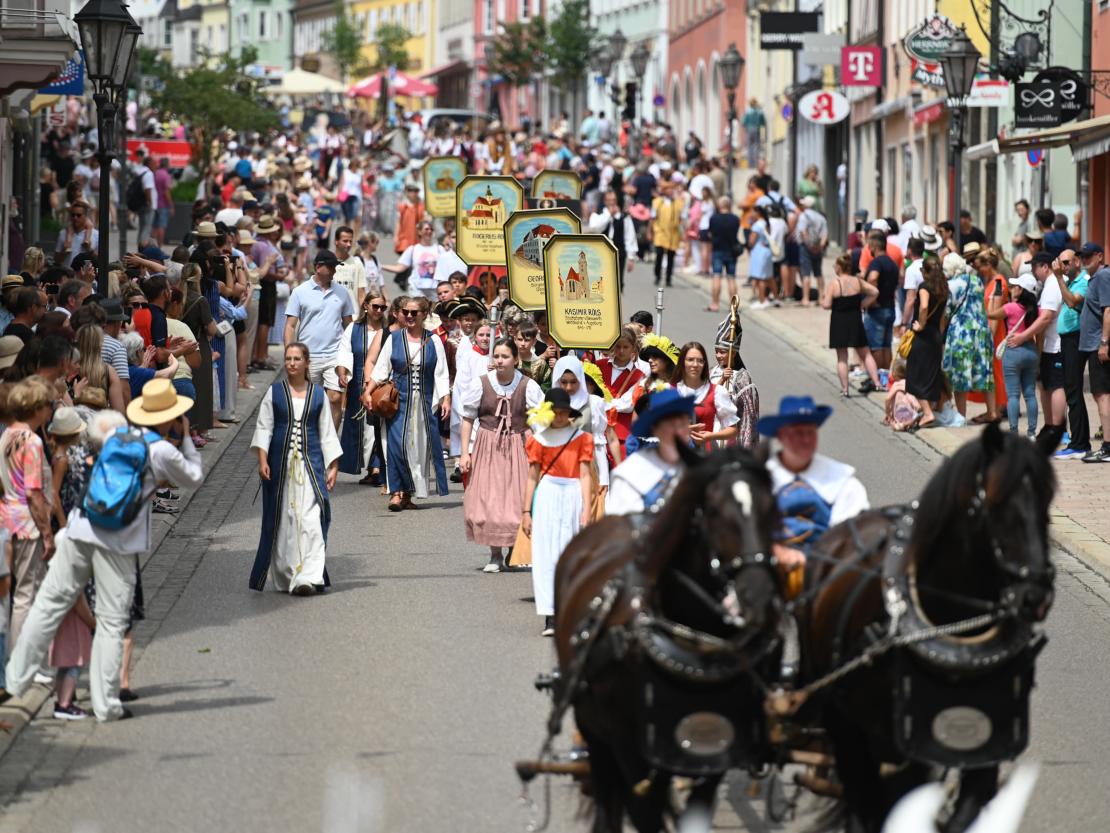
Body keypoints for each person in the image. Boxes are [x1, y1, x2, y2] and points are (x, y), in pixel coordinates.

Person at [5, 379, 203, 721]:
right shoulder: (161, 450)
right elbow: (194, 476)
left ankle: (14, 680)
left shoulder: (116, 436)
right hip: (118, 542)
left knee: (49, 605)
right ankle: (105, 703)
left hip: (81, 527)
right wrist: (184, 438)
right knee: (112, 623)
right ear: (173, 416)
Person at [250, 343, 341, 594]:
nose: (291, 363)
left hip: (310, 466)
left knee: (312, 518)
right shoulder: (274, 393)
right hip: (281, 467)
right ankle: (288, 574)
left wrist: (333, 466)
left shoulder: (318, 394)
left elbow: (327, 433)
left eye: (296, 358)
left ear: (306, 362)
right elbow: (264, 427)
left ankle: (308, 576)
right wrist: (263, 460)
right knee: (285, 520)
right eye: (288, 358)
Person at [757, 395, 869, 571]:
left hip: (826, 574)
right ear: (781, 436)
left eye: (811, 432)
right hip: (766, 571)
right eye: (798, 433)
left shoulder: (843, 481)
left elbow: (852, 538)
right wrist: (776, 551)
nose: (806, 440)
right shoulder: (758, 480)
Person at [460, 337, 543, 573]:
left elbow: (539, 422)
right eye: (496, 356)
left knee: (517, 500)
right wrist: (464, 452)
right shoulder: (481, 384)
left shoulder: (528, 386)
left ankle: (512, 553)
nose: (499, 360)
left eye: (505, 356)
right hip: (487, 446)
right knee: (488, 501)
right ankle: (494, 554)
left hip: (519, 444)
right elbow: (467, 419)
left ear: (516, 360)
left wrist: (541, 452)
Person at [365, 296, 450, 510]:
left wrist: (445, 398)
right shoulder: (393, 339)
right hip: (398, 402)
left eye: (414, 313)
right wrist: (367, 392)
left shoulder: (434, 341)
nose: (409, 316)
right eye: (405, 312)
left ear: (424, 315)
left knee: (418, 449)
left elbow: (441, 373)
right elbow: (381, 369)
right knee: (396, 446)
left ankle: (407, 494)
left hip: (423, 403)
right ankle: (395, 491)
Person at [522, 387, 594, 636]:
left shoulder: (581, 438)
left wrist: (586, 508)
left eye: (564, 412)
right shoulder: (538, 439)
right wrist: (526, 511)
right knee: (545, 553)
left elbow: (585, 474)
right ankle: (550, 615)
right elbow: (532, 477)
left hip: (572, 492)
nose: (560, 417)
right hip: (548, 492)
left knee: (569, 552)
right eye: (556, 412)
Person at [0, 376, 56, 652]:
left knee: (15, 595)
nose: (50, 409)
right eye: (47, 404)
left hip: (7, 518)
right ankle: (23, 660)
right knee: (26, 595)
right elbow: (33, 492)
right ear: (36, 407)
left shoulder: (7, 434)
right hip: (27, 522)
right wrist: (47, 533)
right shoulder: (31, 441)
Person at [284, 249, 356, 428]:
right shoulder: (300, 292)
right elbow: (290, 325)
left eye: (335, 267)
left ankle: (330, 444)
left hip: (335, 355)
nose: (334, 271)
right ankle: (310, 437)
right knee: (309, 402)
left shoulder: (342, 292)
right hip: (309, 356)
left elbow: (349, 325)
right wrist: (290, 353)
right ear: (318, 267)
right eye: (330, 267)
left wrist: (352, 352)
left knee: (336, 397)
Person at [606, 387, 695, 516]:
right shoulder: (627, 476)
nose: (678, 429)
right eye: (671, 423)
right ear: (655, 428)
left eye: (682, 422)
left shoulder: (696, 468)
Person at [337, 292, 387, 484]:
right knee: (362, 429)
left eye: (383, 307)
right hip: (358, 383)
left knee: (379, 426)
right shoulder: (354, 328)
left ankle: (376, 467)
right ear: (366, 306)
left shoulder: (387, 329)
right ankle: (370, 467)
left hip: (383, 385)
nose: (379, 311)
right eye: (375, 306)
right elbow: (344, 351)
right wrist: (342, 372)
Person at [943, 251, 995, 418]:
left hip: (962, 333)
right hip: (981, 330)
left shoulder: (951, 285)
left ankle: (961, 415)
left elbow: (947, 311)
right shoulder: (977, 281)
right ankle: (992, 412)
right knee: (985, 371)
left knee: (961, 373)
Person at [822, 252, 882, 398]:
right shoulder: (857, 281)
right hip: (855, 320)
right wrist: (862, 304)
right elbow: (874, 292)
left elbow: (827, 304)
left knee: (842, 357)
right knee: (865, 353)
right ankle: (878, 383)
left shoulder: (834, 284)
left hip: (839, 322)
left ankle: (845, 389)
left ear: (839, 267)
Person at [988, 274, 1040, 437]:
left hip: (1013, 352)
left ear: (1021, 290)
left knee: (1013, 396)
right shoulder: (1036, 310)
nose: (1013, 288)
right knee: (1030, 394)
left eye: (1015, 286)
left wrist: (992, 299)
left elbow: (991, 315)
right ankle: (1032, 433)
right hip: (1030, 351)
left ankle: (1013, 432)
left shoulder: (1011, 307)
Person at [1054, 247, 1092, 459]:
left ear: (1077, 262)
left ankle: (1079, 443)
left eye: (1066, 262)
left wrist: (1059, 278)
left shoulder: (1084, 280)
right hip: (1067, 340)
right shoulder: (1069, 281)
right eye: (1061, 263)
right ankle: (1079, 440)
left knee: (1074, 389)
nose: (1063, 266)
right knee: (1071, 389)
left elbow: (1072, 301)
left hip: (1075, 339)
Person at [904, 258, 949, 428]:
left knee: (916, 375)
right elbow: (943, 317)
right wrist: (940, 335)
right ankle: (927, 410)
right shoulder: (944, 288)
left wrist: (921, 325)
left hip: (923, 336)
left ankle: (928, 413)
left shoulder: (924, 287)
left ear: (926, 271)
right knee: (931, 375)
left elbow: (923, 307)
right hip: (936, 336)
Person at [1077, 243, 1110, 462]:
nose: (1084, 259)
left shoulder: (1102, 277)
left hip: (1099, 346)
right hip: (1094, 345)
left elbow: (1108, 310)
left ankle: (1107, 447)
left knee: (1102, 395)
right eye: (1082, 256)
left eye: (1089, 256)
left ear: (1099, 256)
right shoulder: (1096, 278)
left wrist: (1104, 342)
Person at [672, 341, 738, 449]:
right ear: (682, 362)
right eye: (690, 360)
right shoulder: (668, 390)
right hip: (674, 454)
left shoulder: (717, 392)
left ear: (704, 364)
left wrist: (712, 436)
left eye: (700, 361)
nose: (695, 364)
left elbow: (733, 429)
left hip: (704, 455)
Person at [862, 231, 900, 376]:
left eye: (869, 246)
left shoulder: (876, 263)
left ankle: (876, 376)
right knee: (886, 346)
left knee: (875, 346)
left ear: (874, 246)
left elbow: (872, 278)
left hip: (877, 309)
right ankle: (884, 377)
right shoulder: (892, 263)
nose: (869, 250)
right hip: (890, 307)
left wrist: (871, 299)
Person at [588, 190, 636, 290]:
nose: (612, 202)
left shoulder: (624, 217)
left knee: (617, 284)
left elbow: (630, 237)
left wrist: (631, 257)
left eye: (613, 200)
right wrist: (608, 215)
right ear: (605, 201)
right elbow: (595, 227)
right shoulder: (598, 214)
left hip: (619, 253)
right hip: (602, 254)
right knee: (601, 284)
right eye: (609, 200)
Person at [385, 220, 444, 302]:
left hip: (435, 289)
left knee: (434, 314)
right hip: (416, 289)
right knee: (418, 313)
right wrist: (381, 266)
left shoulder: (439, 249)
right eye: (426, 229)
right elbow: (400, 268)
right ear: (419, 232)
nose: (429, 231)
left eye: (431, 229)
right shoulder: (413, 249)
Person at [707, 196, 741, 313]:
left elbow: (710, 234)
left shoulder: (714, 218)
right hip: (731, 251)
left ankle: (715, 304)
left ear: (719, 206)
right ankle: (733, 307)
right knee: (731, 278)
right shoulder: (735, 219)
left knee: (716, 276)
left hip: (718, 249)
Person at [796, 196, 828, 307]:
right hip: (817, 247)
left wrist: (808, 245)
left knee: (806, 273)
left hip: (805, 247)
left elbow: (803, 232)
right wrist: (820, 247)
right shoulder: (821, 217)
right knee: (818, 273)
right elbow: (824, 235)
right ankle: (821, 297)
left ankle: (806, 298)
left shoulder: (803, 216)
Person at [651, 181, 683, 287]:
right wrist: (650, 231)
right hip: (660, 232)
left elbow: (681, 218)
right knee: (659, 255)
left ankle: (668, 278)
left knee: (671, 257)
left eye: (671, 189)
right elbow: (653, 218)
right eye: (668, 189)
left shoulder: (677, 203)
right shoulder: (657, 202)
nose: (670, 191)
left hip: (673, 234)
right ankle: (657, 276)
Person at [55, 201, 97, 269]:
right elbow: (56, 260)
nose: (75, 218)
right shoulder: (63, 233)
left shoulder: (95, 234)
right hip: (68, 276)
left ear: (86, 216)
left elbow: (100, 260)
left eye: (78, 215)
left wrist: (90, 250)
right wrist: (64, 250)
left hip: (86, 277)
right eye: (73, 215)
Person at [748, 205, 775, 309]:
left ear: (757, 213)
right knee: (768, 276)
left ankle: (762, 299)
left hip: (759, 251)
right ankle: (773, 297)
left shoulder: (757, 226)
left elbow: (751, 241)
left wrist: (749, 243)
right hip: (767, 251)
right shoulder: (766, 223)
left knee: (761, 278)